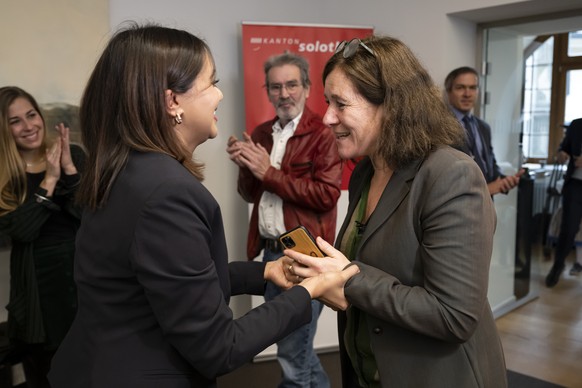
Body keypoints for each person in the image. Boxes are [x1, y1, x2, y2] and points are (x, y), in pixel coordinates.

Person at [47, 23, 358, 388]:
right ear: (172, 102)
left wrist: (262, 274)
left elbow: (169, 282)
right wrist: (311, 290)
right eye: (212, 83)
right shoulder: (166, 194)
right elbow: (219, 347)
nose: (219, 97)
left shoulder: (123, 170)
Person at [283, 36, 508, 387]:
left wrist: (349, 279)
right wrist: (327, 278)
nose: (327, 117)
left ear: (391, 105)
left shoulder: (451, 175)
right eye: (328, 102)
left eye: (340, 103)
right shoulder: (365, 172)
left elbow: (454, 316)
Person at [226, 52, 342, 388]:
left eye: (292, 84)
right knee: (296, 350)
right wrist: (245, 166)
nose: (284, 93)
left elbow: (326, 195)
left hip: (306, 257)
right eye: (275, 87)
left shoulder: (323, 133)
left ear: (307, 88)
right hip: (270, 256)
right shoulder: (261, 133)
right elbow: (251, 194)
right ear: (267, 91)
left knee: (292, 354)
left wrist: (269, 172)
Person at [0, 86, 85, 387]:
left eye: (31, 115)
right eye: (15, 121)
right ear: (4, 128)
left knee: (91, 365)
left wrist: (69, 170)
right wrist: (50, 179)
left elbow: (90, 215)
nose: (28, 126)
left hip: (80, 276)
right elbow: (22, 231)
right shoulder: (5, 176)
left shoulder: (71, 154)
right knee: (49, 372)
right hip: (39, 288)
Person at [444, 66, 524, 196]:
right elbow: (444, 178)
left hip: (485, 207)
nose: (467, 94)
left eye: (473, 88)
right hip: (458, 206)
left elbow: (489, 165)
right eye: (460, 88)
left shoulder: (483, 127)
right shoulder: (441, 127)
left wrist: (504, 181)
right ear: (448, 92)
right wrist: (487, 189)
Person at [545, 117, 582, 287]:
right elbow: (564, 148)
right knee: (568, 229)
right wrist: (562, 154)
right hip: (574, 185)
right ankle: (557, 266)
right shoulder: (576, 125)